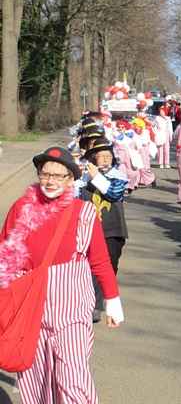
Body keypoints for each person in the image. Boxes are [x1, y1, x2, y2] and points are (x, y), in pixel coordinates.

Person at [0, 146, 124, 402]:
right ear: (38, 175)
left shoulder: (84, 212)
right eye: (46, 174)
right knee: (35, 377)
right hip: (29, 307)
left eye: (59, 176)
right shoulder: (21, 208)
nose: (51, 181)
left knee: (73, 375)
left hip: (72, 307)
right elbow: (4, 256)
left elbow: (100, 260)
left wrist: (112, 300)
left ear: (70, 180)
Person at [81, 137, 129, 322]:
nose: (105, 159)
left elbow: (113, 193)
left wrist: (96, 178)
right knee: (88, 268)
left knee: (109, 267)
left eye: (108, 155)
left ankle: (104, 299)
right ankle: (92, 304)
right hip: (89, 230)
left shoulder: (119, 176)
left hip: (113, 231)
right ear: (93, 159)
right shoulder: (84, 178)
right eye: (100, 156)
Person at [131, 118, 156, 188]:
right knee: (136, 168)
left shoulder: (145, 132)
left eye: (137, 126)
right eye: (135, 126)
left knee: (144, 168)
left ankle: (152, 179)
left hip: (143, 153)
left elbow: (145, 143)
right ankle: (136, 182)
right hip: (136, 153)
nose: (136, 127)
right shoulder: (133, 133)